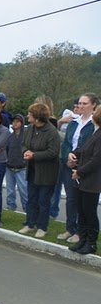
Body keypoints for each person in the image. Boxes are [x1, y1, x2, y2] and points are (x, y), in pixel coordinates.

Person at [56, 93, 97, 244]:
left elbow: (90, 148)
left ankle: (81, 232)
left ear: (93, 105)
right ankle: (70, 228)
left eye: (84, 103)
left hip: (85, 167)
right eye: (79, 103)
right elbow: (67, 142)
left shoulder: (94, 124)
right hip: (69, 164)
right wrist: (69, 157)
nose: (80, 106)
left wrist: (78, 161)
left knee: (82, 201)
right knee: (71, 199)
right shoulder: (74, 122)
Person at [18, 103, 61, 238]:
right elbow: (24, 144)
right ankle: (30, 224)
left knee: (43, 201)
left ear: (37, 117)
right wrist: (26, 151)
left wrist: (34, 155)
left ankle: (42, 227)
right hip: (32, 170)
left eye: (30, 114)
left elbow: (53, 152)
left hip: (47, 172)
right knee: (31, 198)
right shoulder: (30, 128)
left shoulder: (52, 132)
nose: (28, 116)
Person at [67, 105, 101, 254]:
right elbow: (84, 149)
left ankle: (91, 243)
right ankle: (83, 239)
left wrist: (79, 172)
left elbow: (96, 160)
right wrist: (73, 154)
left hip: (92, 181)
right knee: (81, 211)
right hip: (83, 181)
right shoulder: (95, 133)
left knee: (89, 212)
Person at [5, 115, 28, 212]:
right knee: (10, 190)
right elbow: (7, 149)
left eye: (17, 121)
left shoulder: (26, 136)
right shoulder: (10, 136)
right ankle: (11, 206)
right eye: (13, 121)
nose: (15, 123)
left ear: (22, 123)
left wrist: (25, 162)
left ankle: (27, 208)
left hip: (21, 167)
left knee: (24, 190)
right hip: (10, 166)